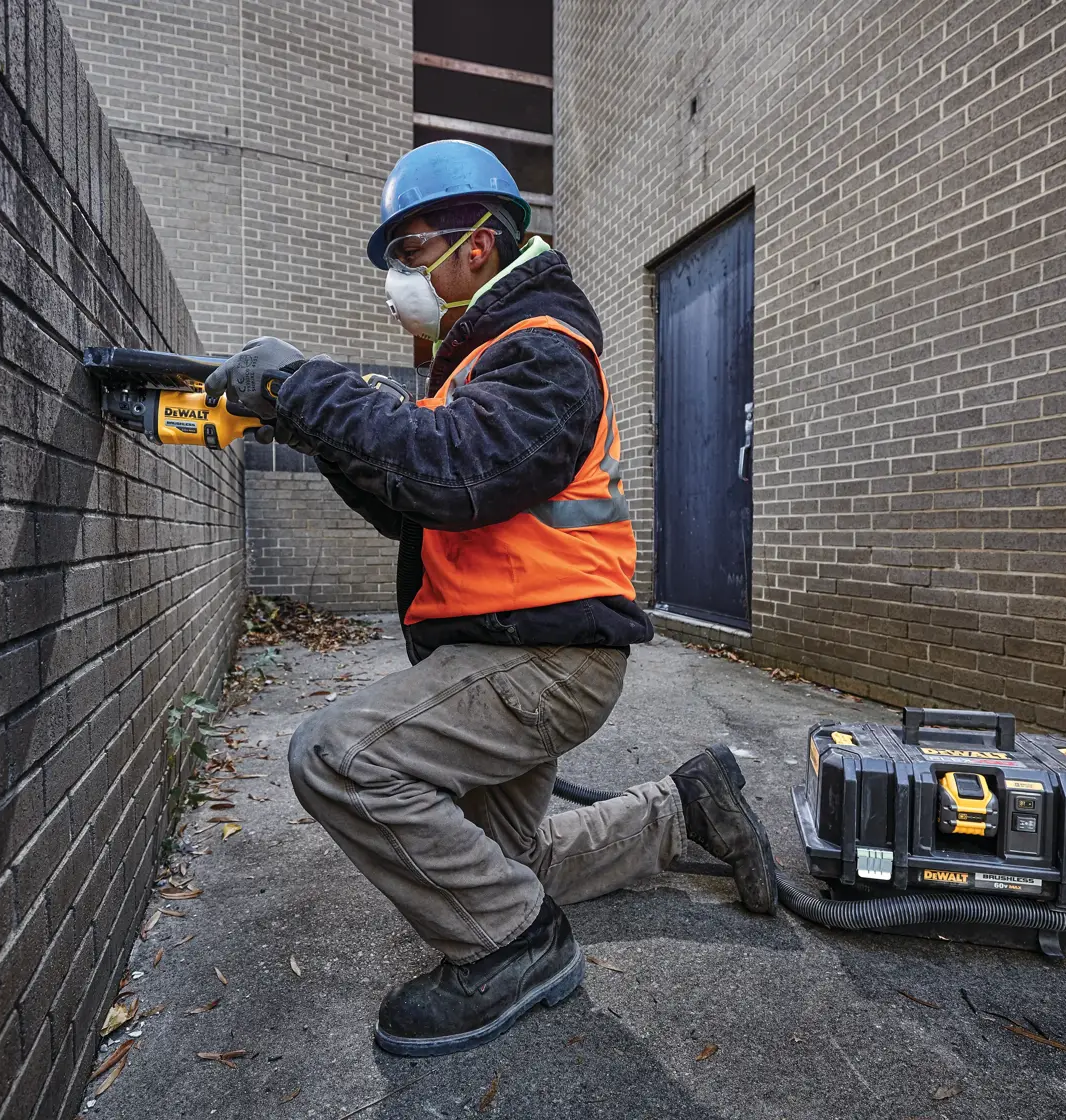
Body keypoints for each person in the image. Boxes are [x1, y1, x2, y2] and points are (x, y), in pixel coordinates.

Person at [204, 139, 778, 1057]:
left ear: (479, 244)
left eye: (413, 249)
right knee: (502, 865)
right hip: (512, 651)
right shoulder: (476, 362)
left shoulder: (544, 354)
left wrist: (302, 384)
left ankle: (519, 950)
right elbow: (417, 505)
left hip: (541, 661)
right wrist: (308, 425)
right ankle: (682, 810)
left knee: (337, 757)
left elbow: (447, 469)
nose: (402, 276)